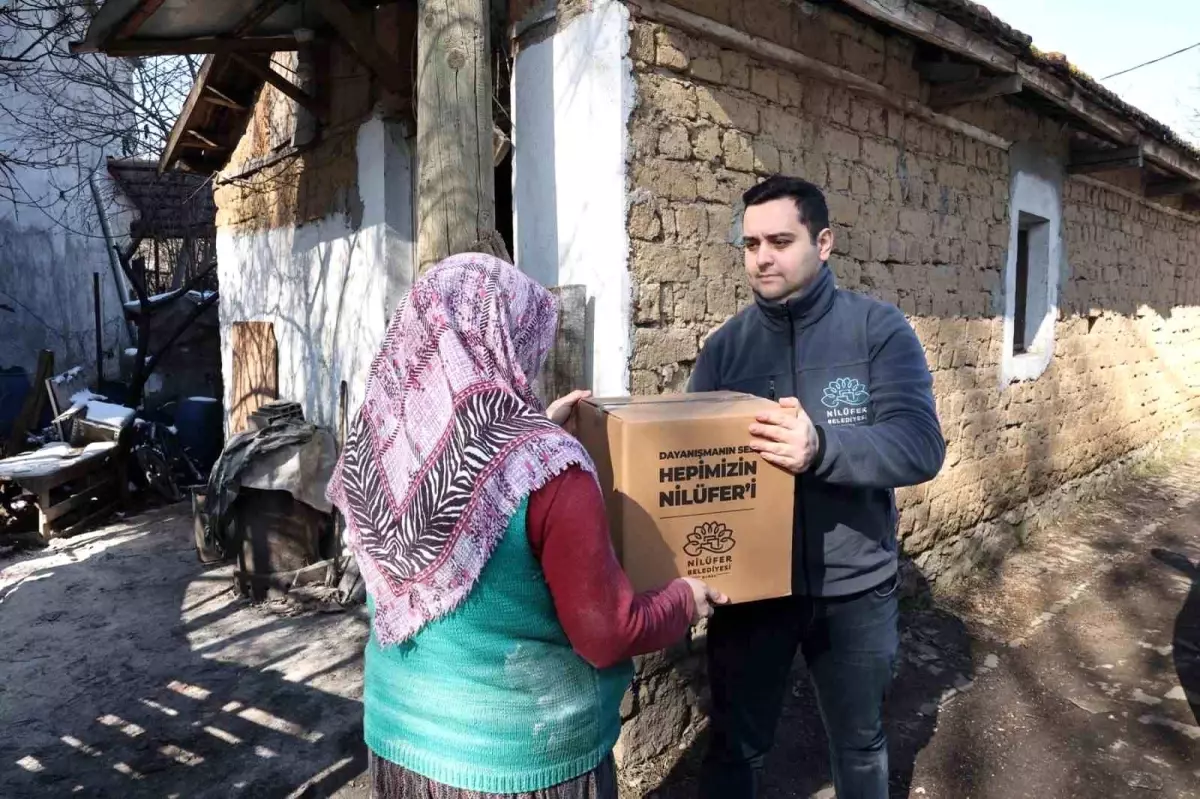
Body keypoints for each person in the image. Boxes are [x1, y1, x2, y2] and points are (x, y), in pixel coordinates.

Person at [326, 252, 727, 799]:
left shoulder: (380, 448)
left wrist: (533, 423)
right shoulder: (548, 469)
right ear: (507, 339)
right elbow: (608, 633)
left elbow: (466, 463)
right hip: (516, 762)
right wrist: (683, 599)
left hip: (399, 744)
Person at [688, 175, 946, 799]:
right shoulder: (725, 350)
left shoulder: (878, 331)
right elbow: (693, 469)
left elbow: (920, 445)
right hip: (750, 597)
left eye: (780, 240)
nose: (762, 257)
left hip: (854, 588)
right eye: (750, 244)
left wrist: (822, 448)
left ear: (823, 242)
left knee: (859, 746)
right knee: (735, 751)